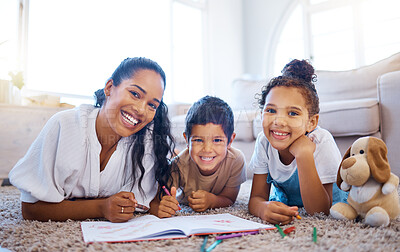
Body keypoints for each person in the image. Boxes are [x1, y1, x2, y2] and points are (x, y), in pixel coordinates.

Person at [8, 57, 176, 223]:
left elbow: (143, 204)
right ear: (109, 87)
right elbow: (31, 208)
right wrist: (101, 207)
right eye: (135, 94)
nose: (141, 110)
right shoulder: (65, 126)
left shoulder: (146, 142)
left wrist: (158, 206)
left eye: (152, 105)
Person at [248, 59, 347, 225]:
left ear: (311, 122)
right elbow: (256, 198)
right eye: (271, 110)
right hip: (290, 202)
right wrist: (262, 208)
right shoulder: (264, 142)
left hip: (332, 203)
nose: (279, 121)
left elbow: (320, 212)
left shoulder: (321, 141)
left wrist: (304, 155)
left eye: (293, 113)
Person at [155, 96, 247, 217]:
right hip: (183, 193)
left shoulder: (236, 160)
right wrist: (164, 204)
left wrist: (212, 201)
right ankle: (174, 154)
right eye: (198, 140)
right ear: (187, 140)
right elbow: (160, 197)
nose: (207, 149)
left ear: (230, 141)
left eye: (217, 140)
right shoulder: (178, 165)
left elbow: (229, 199)